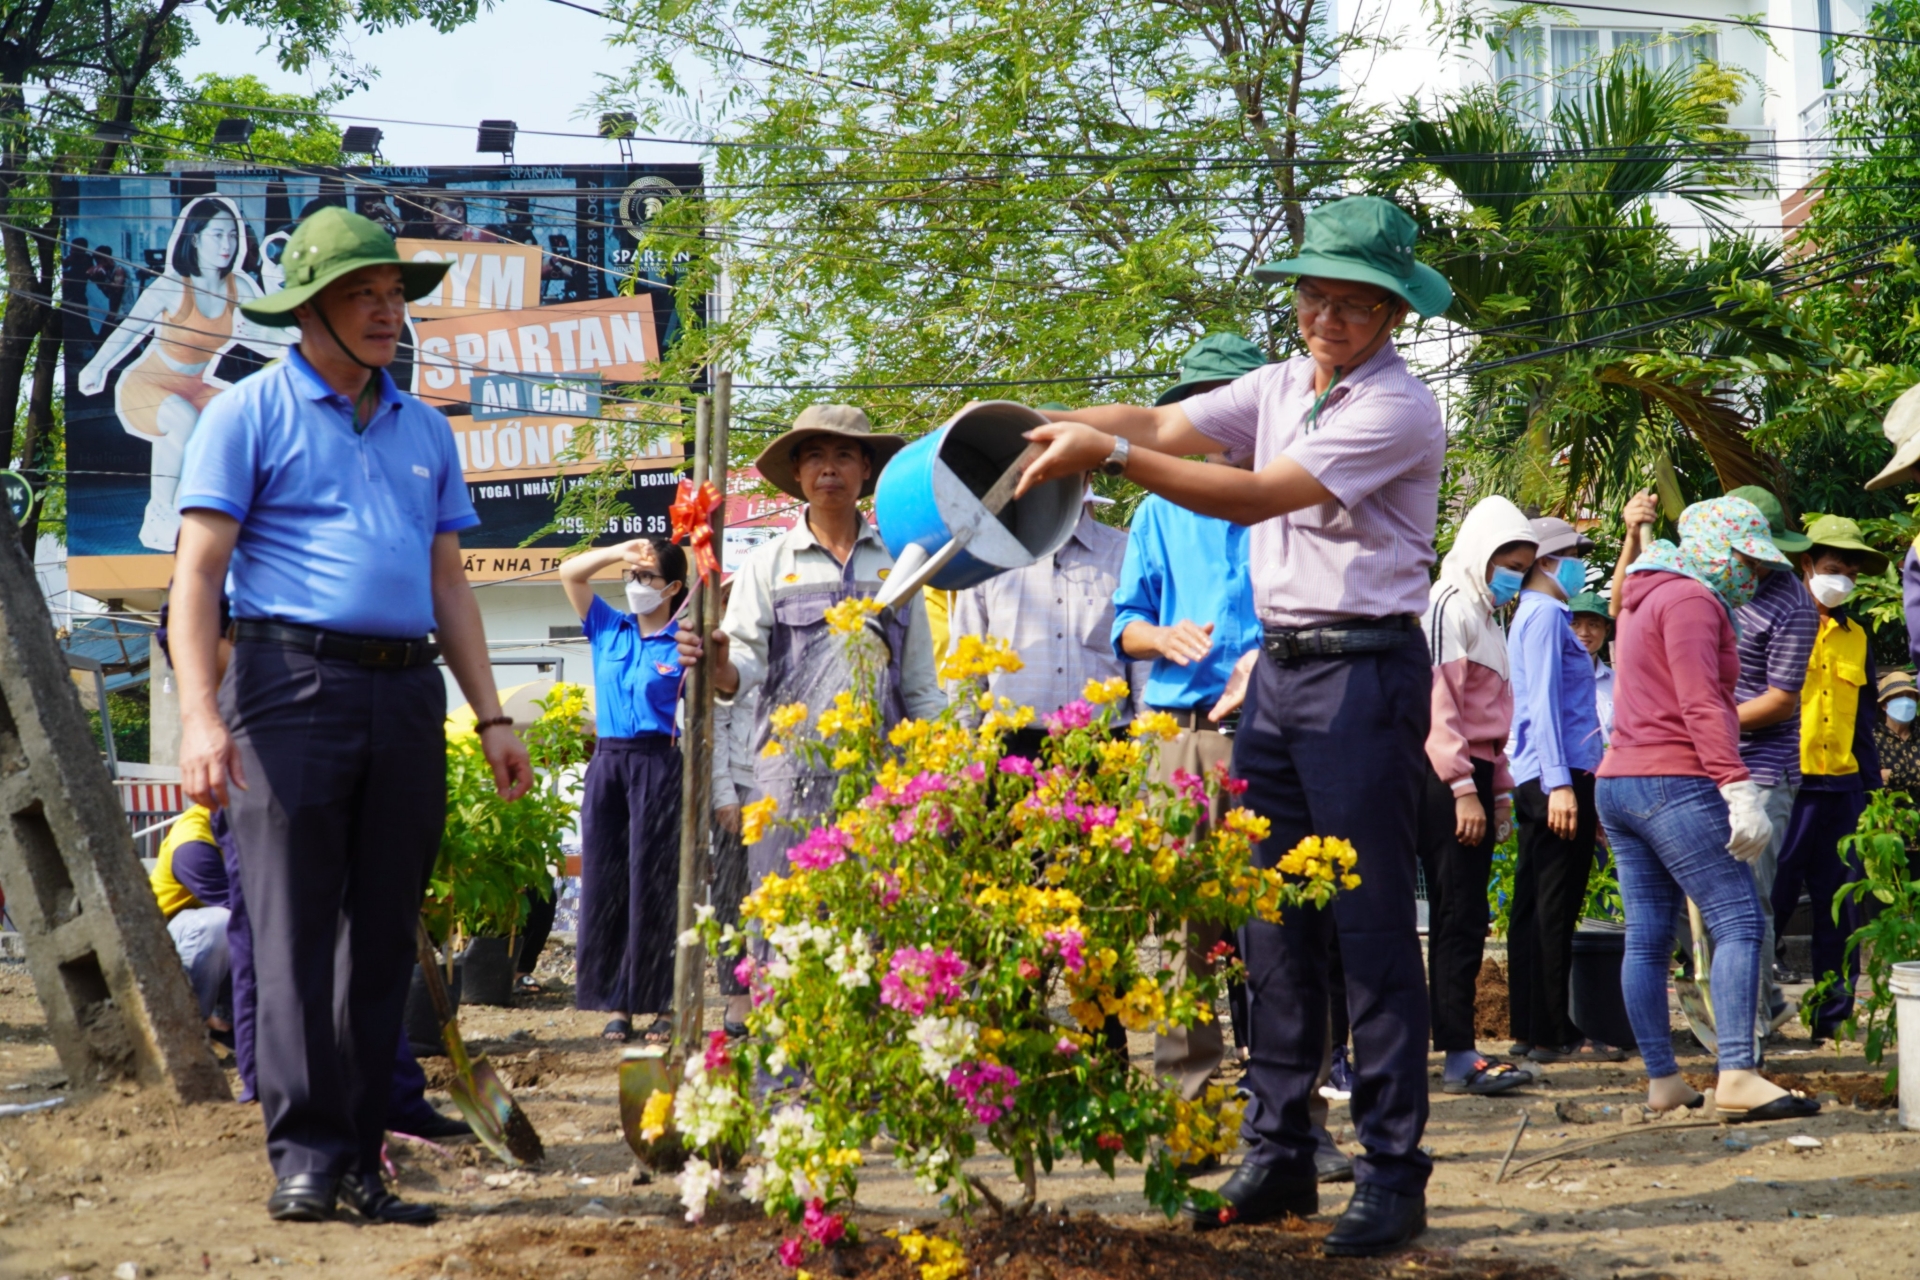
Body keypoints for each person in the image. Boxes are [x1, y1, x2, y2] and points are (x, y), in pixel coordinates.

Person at [1011, 195, 1453, 1255]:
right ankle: (1279, 1152)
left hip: (1363, 673)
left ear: (1392, 313)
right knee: (1268, 922)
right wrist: (1039, 420)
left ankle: (1393, 1170)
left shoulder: (1397, 406)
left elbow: (1256, 496)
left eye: (1355, 302)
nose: (1329, 317)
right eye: (1314, 294)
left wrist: (1102, 460)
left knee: (1369, 922)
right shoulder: (1285, 383)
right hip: (1276, 681)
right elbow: (1166, 423)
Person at [170, 207, 532, 1225]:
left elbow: (450, 582)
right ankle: (306, 1153)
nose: (387, 314)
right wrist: (201, 716)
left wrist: (493, 714)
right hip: (288, 686)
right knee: (286, 931)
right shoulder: (247, 412)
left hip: (408, 690)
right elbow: (198, 577)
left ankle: (365, 1153)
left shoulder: (424, 427)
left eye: (393, 297)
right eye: (364, 297)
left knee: (381, 938)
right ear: (312, 311)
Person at [676, 406, 944, 961]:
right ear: (797, 473)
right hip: (786, 782)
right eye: (816, 456)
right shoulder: (768, 564)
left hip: (882, 780)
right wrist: (721, 665)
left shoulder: (901, 562)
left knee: (879, 936)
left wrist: (942, 774)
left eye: (844, 454)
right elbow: (742, 664)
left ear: (866, 469)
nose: (830, 469)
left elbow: (919, 683)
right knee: (785, 938)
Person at [1595, 495, 1818, 1122]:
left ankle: (1664, 1082)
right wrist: (1736, 784)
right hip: (1673, 779)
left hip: (1621, 779)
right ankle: (1739, 1075)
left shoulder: (1644, 593)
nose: (1751, 575)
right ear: (1717, 553)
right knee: (1740, 919)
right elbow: (1701, 705)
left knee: (1647, 936)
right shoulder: (1692, 599)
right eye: (1744, 560)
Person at [1112, 332, 1278, 1159]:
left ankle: (1287, 1119)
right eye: (1199, 403)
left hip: (1276, 732)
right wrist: (1158, 635)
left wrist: (1267, 655)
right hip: (1180, 739)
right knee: (1180, 935)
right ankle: (1191, 1118)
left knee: (1279, 929)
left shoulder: (1285, 493)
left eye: (1230, 401)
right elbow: (1123, 623)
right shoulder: (1155, 507)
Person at [77, 195, 283, 551]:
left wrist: (312, 343)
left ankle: (233, 511)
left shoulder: (241, 288)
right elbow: (129, 329)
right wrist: (97, 367)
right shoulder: (173, 284)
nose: (227, 244)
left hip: (196, 386)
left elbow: (269, 337)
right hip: (147, 386)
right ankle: (159, 515)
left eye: (232, 236)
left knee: (250, 423)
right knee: (184, 419)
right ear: (195, 238)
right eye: (217, 234)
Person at [1417, 496, 1538, 1095]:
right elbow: (1440, 709)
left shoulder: (1491, 615)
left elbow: (1495, 720)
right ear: (1480, 555)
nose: (1512, 575)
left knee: (1466, 916)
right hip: (1447, 780)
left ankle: (1459, 1050)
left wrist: (1499, 795)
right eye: (1506, 562)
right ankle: (1457, 1054)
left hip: (1480, 774)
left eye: (1520, 565)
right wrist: (1464, 789)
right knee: (1455, 915)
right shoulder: (1450, 604)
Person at [559, 537, 691, 1044]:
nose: (635, 586)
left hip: (659, 762)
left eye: (647, 578)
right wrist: (620, 551)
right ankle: (616, 1002)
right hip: (608, 764)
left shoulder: (682, 639)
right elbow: (571, 572)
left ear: (673, 587)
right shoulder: (608, 627)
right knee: (608, 880)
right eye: (630, 578)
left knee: (653, 883)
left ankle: (658, 1001)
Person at [1505, 516, 1616, 1064]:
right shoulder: (1548, 614)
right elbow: (1546, 702)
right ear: (1548, 560)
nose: (1580, 563)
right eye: (1574, 553)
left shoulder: (1529, 613)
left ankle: (1529, 1026)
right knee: (1555, 903)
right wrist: (1561, 786)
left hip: (1538, 772)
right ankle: (1553, 1031)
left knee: (1530, 903)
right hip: (1559, 772)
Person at [1772, 515, 1884, 1042]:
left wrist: (1872, 796)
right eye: (1834, 569)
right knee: (1770, 900)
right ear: (1807, 565)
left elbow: (1862, 723)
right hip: (1788, 785)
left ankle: (1831, 1019)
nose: (1842, 581)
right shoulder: (1782, 622)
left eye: (1851, 574)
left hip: (1841, 790)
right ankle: (1751, 1012)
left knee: (1838, 909)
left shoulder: (1856, 638)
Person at [948, 495, 1148, 756]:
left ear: (1087, 476)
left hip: (1104, 747)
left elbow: (1145, 667)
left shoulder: (1123, 552)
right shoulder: (989, 553)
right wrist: (963, 758)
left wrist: (1146, 763)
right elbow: (967, 662)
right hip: (1010, 748)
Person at [150, 806, 235, 1039]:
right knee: (222, 923)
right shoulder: (193, 842)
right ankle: (190, 1026)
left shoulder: (243, 828)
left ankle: (226, 1022)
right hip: (161, 944)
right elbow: (244, 918)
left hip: (211, 952)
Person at [1566, 593, 1615, 745]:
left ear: (1606, 630)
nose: (1584, 632)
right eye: (1575, 624)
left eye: (1593, 625)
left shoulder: (1619, 684)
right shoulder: (1548, 678)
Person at [1875, 670, 1920, 793]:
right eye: (1898, 696)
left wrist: (1892, 776)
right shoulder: (1873, 740)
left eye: (1909, 696)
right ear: (1884, 705)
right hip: (1888, 810)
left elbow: (1883, 777)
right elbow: (1872, 780)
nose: (1905, 702)